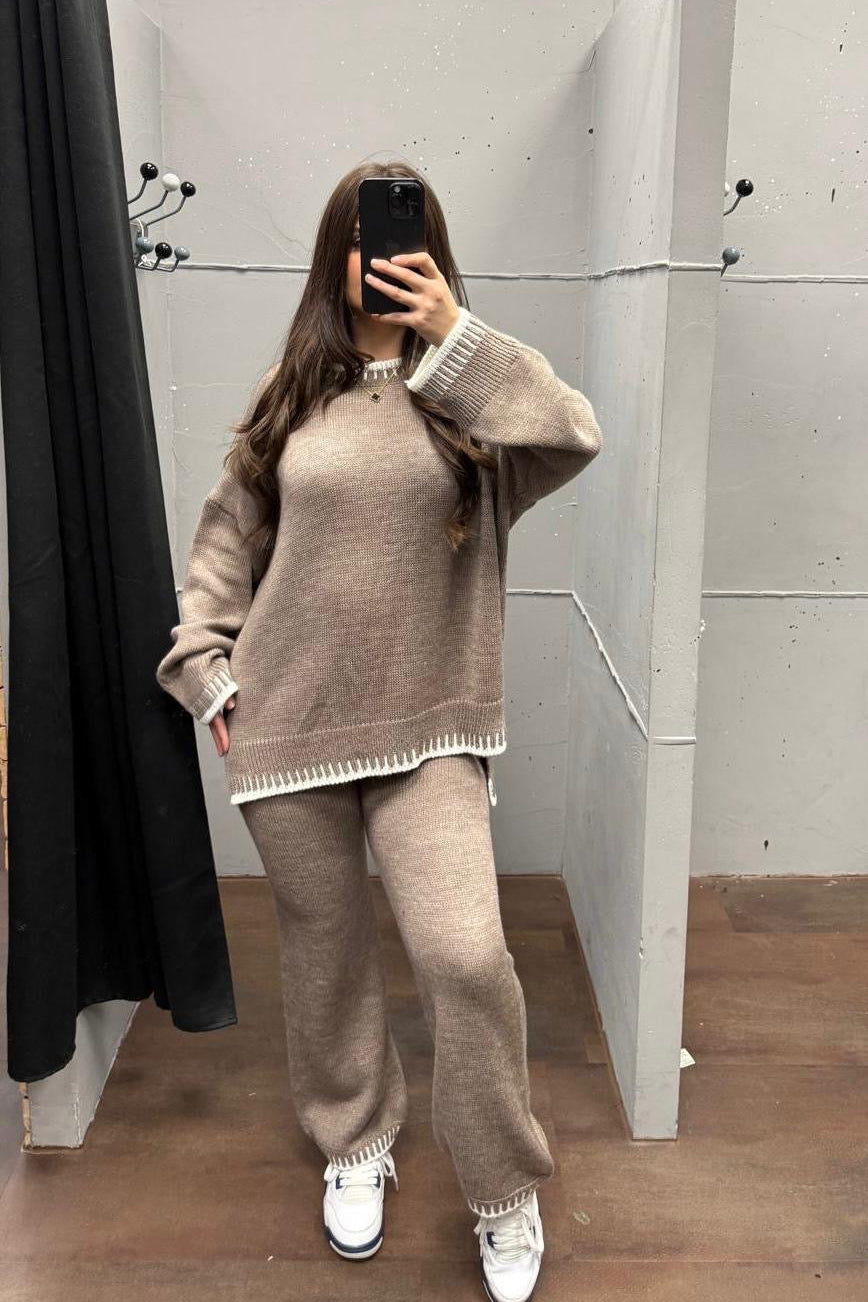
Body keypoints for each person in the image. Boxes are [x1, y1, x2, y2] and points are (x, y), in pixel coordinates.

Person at [156, 159, 602, 1302]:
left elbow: (572, 431)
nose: (382, 256)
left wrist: (455, 338)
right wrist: (207, 670)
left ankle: (501, 1187)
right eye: (362, 238)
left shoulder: (471, 401)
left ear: (433, 256)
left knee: (464, 956)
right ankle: (354, 1139)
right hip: (290, 724)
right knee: (325, 955)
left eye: (404, 239)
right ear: (334, 255)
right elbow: (225, 542)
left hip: (430, 729)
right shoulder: (291, 396)